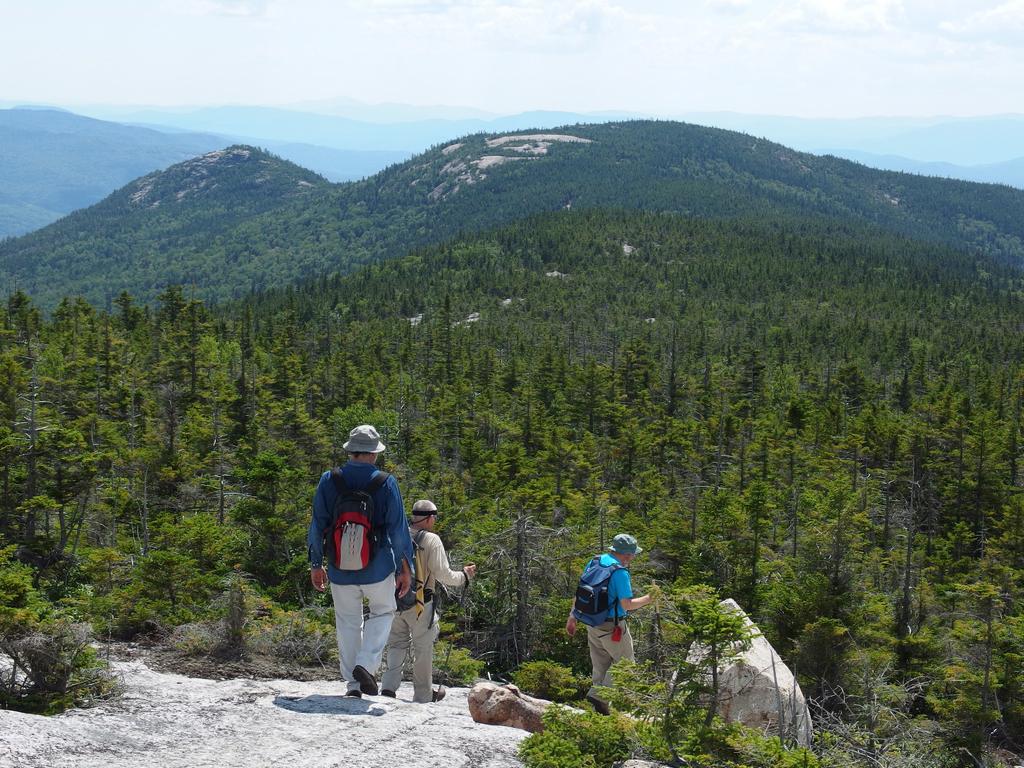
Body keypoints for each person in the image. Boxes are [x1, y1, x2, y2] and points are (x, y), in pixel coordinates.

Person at [308, 424, 413, 698]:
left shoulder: (329, 480)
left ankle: (353, 686)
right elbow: (398, 529)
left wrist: (316, 563)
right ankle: (366, 665)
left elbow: (317, 525)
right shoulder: (386, 482)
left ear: (351, 451)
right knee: (383, 611)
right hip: (378, 567)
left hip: (340, 567)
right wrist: (406, 567)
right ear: (374, 454)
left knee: (347, 623)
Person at [380, 499, 477, 703]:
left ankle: (388, 688)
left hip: (393, 599)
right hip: (421, 603)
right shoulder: (431, 540)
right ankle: (423, 695)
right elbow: (443, 575)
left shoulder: (396, 534)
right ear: (430, 518)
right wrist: (465, 576)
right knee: (422, 649)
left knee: (396, 644)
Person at [565, 533, 654, 715]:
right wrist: (649, 598)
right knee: (626, 665)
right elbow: (627, 605)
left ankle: (597, 708)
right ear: (627, 554)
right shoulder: (619, 572)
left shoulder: (596, 561)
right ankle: (599, 698)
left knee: (600, 665)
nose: (633, 558)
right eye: (632, 554)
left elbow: (581, 591)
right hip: (613, 627)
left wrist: (572, 616)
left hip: (592, 622)